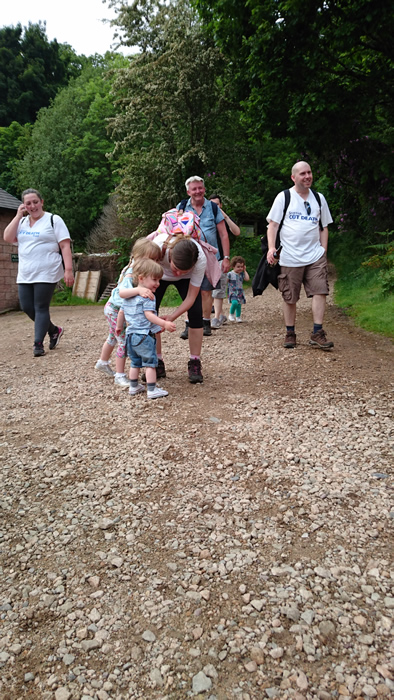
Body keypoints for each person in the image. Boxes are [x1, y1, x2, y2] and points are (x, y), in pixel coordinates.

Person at [121, 229, 207, 383]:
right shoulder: (158, 246)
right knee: (151, 314)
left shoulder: (200, 259)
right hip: (156, 275)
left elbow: (191, 297)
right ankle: (157, 362)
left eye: (184, 271)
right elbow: (137, 267)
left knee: (196, 313)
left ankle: (195, 361)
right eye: (175, 269)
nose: (178, 274)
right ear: (169, 256)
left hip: (187, 281)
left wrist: (172, 317)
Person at [266, 161, 334, 350]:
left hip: (315, 256)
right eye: (303, 173)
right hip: (290, 256)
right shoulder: (284, 197)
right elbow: (273, 225)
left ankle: (317, 332)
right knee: (290, 296)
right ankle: (290, 332)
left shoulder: (319, 198)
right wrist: (272, 248)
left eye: (309, 172)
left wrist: (323, 251)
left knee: (320, 291)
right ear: (293, 177)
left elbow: (324, 227)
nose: (307, 176)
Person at [3, 188, 74, 357]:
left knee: (41, 307)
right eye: (28, 203)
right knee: (27, 307)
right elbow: (7, 237)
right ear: (24, 206)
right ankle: (54, 330)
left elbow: (65, 245)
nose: (32, 206)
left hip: (47, 270)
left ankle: (38, 344)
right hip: (26, 272)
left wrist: (69, 270)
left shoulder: (53, 220)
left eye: (35, 202)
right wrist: (17, 216)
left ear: (41, 202)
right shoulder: (21, 223)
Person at [95, 239, 161, 387]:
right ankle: (120, 375)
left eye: (156, 260)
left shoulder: (134, 269)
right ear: (139, 257)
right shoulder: (132, 272)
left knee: (113, 336)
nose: (154, 263)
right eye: (151, 259)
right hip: (116, 309)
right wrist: (139, 290)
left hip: (116, 309)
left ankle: (102, 362)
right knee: (124, 341)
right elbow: (123, 292)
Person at [177, 176, 230, 338]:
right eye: (194, 189)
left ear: (204, 189)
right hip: (189, 257)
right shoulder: (182, 207)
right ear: (188, 191)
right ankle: (189, 324)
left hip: (210, 258)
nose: (198, 191)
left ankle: (205, 322)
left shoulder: (213, 208)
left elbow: (224, 235)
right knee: (189, 292)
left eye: (200, 188)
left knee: (206, 291)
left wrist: (226, 257)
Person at [120, 259, 176, 399]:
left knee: (135, 362)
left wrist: (119, 326)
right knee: (150, 363)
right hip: (144, 336)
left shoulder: (129, 295)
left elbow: (122, 312)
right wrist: (164, 324)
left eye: (159, 280)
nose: (158, 284)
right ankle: (152, 389)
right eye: (155, 279)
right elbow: (149, 316)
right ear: (141, 278)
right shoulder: (148, 297)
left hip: (130, 336)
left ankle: (133, 387)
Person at [208, 194, 241, 329]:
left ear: (221, 205)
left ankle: (216, 318)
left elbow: (237, 232)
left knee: (219, 288)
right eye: (212, 204)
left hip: (221, 258)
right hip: (208, 257)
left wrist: (225, 216)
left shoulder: (224, 219)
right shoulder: (207, 218)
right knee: (208, 289)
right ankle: (218, 314)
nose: (215, 206)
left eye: (217, 204)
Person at [227, 256, 249, 322]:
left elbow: (247, 279)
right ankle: (231, 314)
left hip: (240, 292)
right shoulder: (230, 274)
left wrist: (245, 271)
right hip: (233, 292)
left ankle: (238, 317)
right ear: (233, 266)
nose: (240, 268)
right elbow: (225, 281)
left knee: (239, 305)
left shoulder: (241, 274)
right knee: (235, 303)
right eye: (238, 267)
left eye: (241, 267)